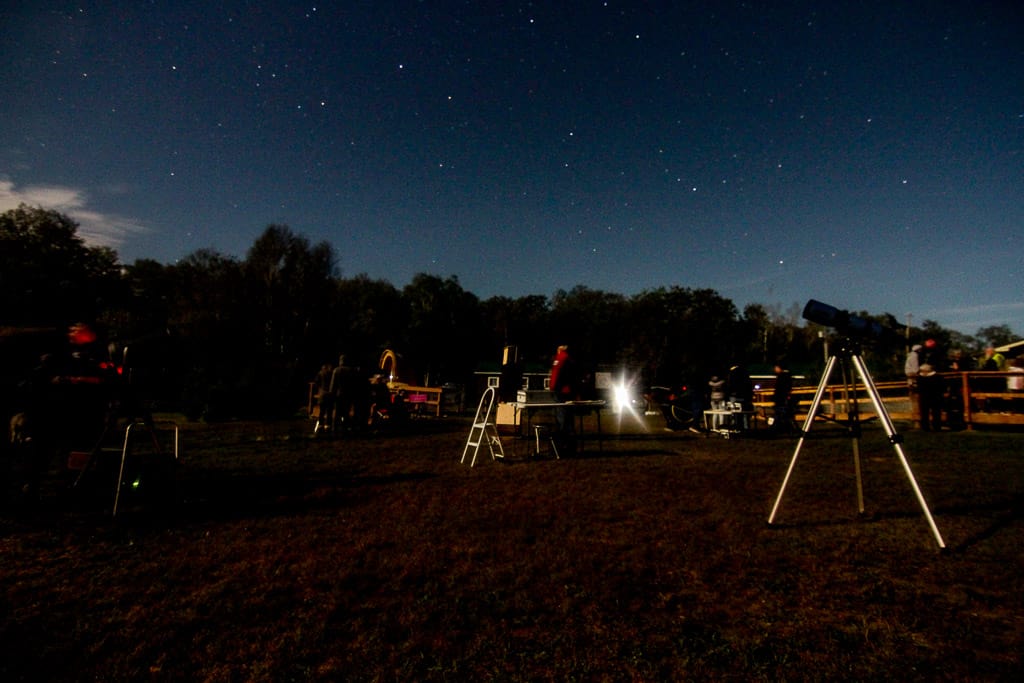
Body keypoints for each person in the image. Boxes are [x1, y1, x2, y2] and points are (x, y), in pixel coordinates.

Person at [549, 345, 578, 451]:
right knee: (569, 419)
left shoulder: (561, 358)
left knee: (561, 419)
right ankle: (571, 445)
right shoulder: (571, 359)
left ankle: (562, 445)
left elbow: (556, 374)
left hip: (560, 392)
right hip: (569, 391)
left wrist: (552, 388)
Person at [917, 363, 945, 431]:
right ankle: (935, 427)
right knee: (935, 412)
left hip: (927, 397)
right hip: (934, 396)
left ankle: (927, 427)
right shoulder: (938, 377)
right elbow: (942, 386)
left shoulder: (920, 378)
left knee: (927, 412)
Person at [771, 361, 794, 433]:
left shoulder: (782, 377)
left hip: (780, 398)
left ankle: (778, 427)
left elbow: (779, 389)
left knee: (780, 414)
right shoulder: (787, 376)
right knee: (783, 414)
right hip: (782, 398)